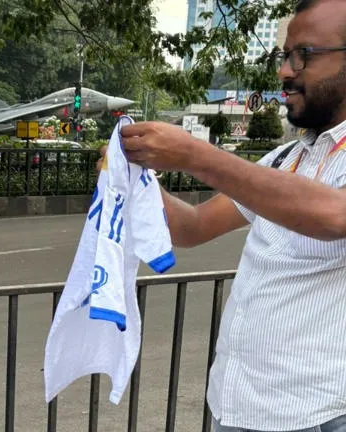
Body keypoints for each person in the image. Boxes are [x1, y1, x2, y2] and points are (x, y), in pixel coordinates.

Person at [99, 0, 346, 430]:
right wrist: (135, 176)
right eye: (283, 55)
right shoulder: (287, 156)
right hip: (238, 404)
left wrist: (196, 156)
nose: (285, 72)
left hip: (318, 414)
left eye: (303, 54)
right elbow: (192, 228)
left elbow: (334, 216)